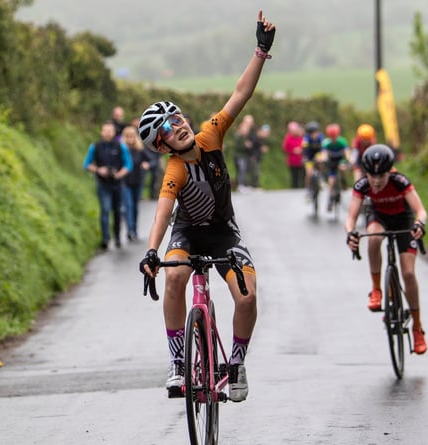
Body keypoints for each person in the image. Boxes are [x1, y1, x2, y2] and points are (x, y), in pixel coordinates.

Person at [138, 9, 276, 403]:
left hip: (223, 233)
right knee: (174, 278)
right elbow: (164, 213)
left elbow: (240, 94)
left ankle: (235, 362)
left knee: (247, 297)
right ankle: (178, 361)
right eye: (167, 128)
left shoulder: (211, 135)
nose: (178, 125)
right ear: (161, 146)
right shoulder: (175, 170)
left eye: (176, 116)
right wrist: (151, 251)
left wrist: (260, 52)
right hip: (187, 235)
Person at [344, 144, 428, 354]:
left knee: (408, 274)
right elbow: (351, 218)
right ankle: (376, 290)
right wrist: (351, 233)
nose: (376, 180)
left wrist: (419, 224)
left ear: (390, 172)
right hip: (379, 217)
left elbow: (420, 211)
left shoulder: (401, 182)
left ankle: (417, 327)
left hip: (403, 220)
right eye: (372, 176)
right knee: (373, 239)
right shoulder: (362, 185)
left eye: (381, 175)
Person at [83, 120, 132, 250]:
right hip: (103, 184)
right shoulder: (95, 146)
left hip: (117, 184)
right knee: (105, 210)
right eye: (105, 130)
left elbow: (128, 164)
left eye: (110, 131)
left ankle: (117, 237)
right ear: (102, 131)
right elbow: (87, 164)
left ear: (114, 132)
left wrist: (119, 174)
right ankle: (105, 238)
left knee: (117, 211)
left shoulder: (121, 146)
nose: (108, 133)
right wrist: (99, 170)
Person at [121, 125, 151, 241]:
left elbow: (150, 160)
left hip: (137, 182)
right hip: (125, 183)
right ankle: (130, 231)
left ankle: (134, 229)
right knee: (128, 206)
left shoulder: (139, 150)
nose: (130, 139)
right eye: (128, 137)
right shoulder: (122, 150)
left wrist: (146, 164)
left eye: (132, 136)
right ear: (124, 137)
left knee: (135, 207)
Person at [319, 123, 350, 211]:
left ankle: (344, 182)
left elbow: (347, 152)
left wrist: (348, 159)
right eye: (331, 137)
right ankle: (330, 200)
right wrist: (323, 159)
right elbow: (324, 154)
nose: (333, 138)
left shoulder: (342, 141)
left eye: (335, 136)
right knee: (331, 181)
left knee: (342, 168)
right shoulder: (326, 143)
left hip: (340, 161)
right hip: (331, 162)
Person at [301, 121, 323, 197]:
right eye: (312, 133)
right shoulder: (306, 139)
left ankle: (321, 177)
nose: (314, 135)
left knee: (320, 160)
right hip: (309, 156)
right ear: (309, 133)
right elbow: (304, 149)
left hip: (317, 154)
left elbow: (324, 148)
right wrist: (305, 158)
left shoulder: (321, 137)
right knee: (309, 173)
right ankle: (307, 188)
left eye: (316, 132)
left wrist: (323, 157)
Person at [233, 114, 254, 190]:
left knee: (245, 170)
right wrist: (245, 145)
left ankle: (245, 184)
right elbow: (237, 147)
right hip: (239, 156)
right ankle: (240, 185)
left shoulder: (245, 136)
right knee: (241, 170)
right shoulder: (238, 136)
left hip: (245, 156)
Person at [282, 121, 304, 189]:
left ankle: (303, 188)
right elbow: (285, 148)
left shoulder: (301, 138)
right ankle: (295, 188)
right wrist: (293, 151)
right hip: (292, 161)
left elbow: (305, 146)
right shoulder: (288, 138)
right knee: (294, 176)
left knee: (302, 175)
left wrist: (301, 150)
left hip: (301, 160)